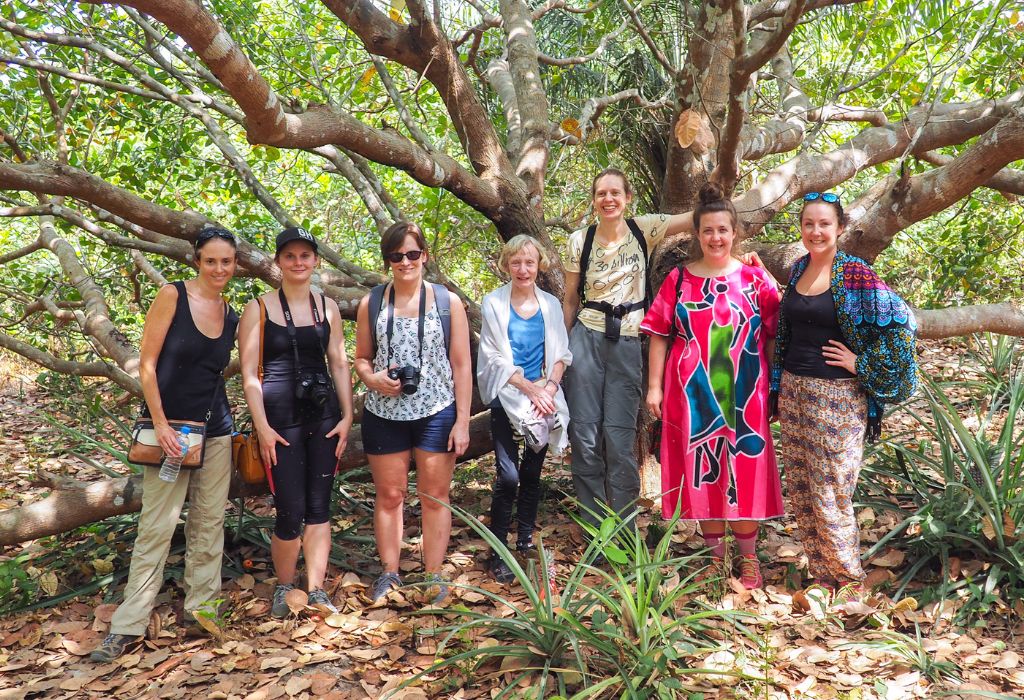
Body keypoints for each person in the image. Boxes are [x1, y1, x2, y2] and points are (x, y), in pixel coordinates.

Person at [91, 227, 239, 662]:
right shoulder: (172, 296)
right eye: (211, 261)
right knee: (156, 527)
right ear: (197, 261)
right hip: (168, 433)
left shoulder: (231, 313)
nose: (218, 269)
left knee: (209, 524)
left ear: (235, 265)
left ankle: (202, 611)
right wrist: (161, 423)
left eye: (226, 262)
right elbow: (148, 364)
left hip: (215, 431)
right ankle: (129, 625)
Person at [770, 192, 917, 594]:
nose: (815, 231)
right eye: (808, 224)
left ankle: (850, 581)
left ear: (839, 229)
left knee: (832, 489)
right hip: (796, 393)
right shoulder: (799, 267)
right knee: (802, 487)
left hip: (837, 397)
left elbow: (903, 325)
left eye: (824, 224)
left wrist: (861, 364)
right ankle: (823, 575)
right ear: (801, 229)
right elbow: (788, 328)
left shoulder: (855, 273)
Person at [640, 184, 782, 589]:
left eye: (723, 230)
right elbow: (659, 334)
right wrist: (654, 387)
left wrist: (772, 386)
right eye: (708, 231)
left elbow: (773, 333)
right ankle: (715, 558)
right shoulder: (679, 280)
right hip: (692, 392)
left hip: (746, 391)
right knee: (704, 470)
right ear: (697, 235)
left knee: (745, 467)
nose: (716, 238)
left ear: (735, 232)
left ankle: (749, 558)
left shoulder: (757, 280)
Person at [561, 167, 693, 531]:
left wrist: (739, 253)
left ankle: (622, 530)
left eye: (615, 192)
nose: (608, 199)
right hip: (586, 338)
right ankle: (594, 527)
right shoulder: (580, 240)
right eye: (601, 193)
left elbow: (700, 218)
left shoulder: (643, 229)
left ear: (627, 197)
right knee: (585, 435)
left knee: (619, 438)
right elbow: (570, 299)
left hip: (629, 340)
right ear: (593, 199)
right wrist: (562, 351)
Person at [239, 227, 354, 618]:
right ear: (279, 261)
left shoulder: (328, 307)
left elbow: (339, 362)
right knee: (290, 508)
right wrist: (262, 427)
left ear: (316, 260)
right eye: (290, 256)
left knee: (320, 507)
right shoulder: (259, 307)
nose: (299, 262)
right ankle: (286, 586)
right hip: (279, 421)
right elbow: (250, 375)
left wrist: (347, 415)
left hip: (323, 417)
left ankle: (317, 589)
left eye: (306, 255)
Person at [354, 221, 472, 603]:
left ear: (425, 255)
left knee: (434, 496)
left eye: (412, 254)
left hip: (436, 410)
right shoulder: (372, 302)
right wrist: (371, 379)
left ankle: (434, 575)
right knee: (390, 495)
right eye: (396, 256)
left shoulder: (446, 302)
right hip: (384, 412)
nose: (405, 262)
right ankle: (390, 573)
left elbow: (462, 365)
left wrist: (463, 421)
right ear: (387, 260)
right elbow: (360, 359)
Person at [477, 235, 572, 583]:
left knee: (532, 474)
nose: (523, 269)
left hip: (543, 398)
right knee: (509, 475)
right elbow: (493, 357)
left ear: (539, 265)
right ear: (506, 265)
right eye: (516, 262)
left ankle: (524, 542)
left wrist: (547, 389)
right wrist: (531, 389)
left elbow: (561, 354)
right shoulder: (494, 303)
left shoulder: (550, 305)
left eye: (529, 262)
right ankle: (498, 548)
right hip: (509, 395)